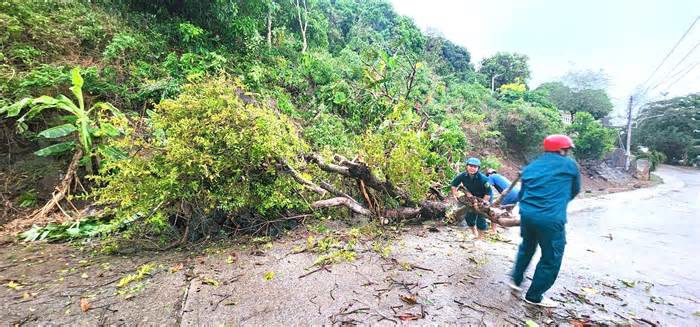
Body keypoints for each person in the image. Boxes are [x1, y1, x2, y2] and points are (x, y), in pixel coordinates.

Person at [508, 135, 581, 308]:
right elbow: (575, 190)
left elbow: (522, 194)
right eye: (567, 150)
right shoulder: (570, 165)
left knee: (526, 247)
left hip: (527, 215)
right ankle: (534, 296)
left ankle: (515, 281)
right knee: (551, 256)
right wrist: (557, 203)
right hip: (551, 218)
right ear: (562, 150)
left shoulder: (531, 166)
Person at [450, 157, 494, 239]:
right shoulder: (463, 175)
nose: (472, 168)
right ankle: (474, 233)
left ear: (478, 168)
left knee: (481, 217)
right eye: (470, 166)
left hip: (484, 198)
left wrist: (482, 204)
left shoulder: (484, 179)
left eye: (475, 167)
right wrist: (455, 194)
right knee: (469, 216)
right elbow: (454, 184)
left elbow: (488, 193)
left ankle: (480, 238)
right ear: (467, 166)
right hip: (472, 198)